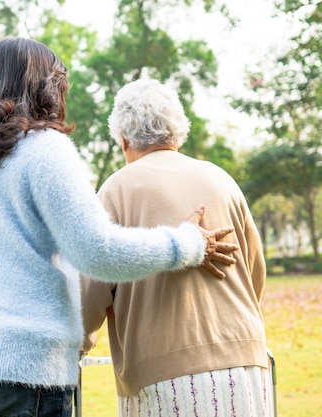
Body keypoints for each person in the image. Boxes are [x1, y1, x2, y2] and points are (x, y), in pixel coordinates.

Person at [0, 37, 238, 417]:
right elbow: (98, 253)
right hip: (22, 369)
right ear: (47, 85)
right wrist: (187, 244)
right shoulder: (43, 148)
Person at [80, 78, 270, 417]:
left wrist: (78, 343)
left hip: (165, 378)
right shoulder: (221, 179)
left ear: (123, 139)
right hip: (247, 366)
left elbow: (90, 293)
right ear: (177, 131)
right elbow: (254, 273)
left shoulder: (115, 191)